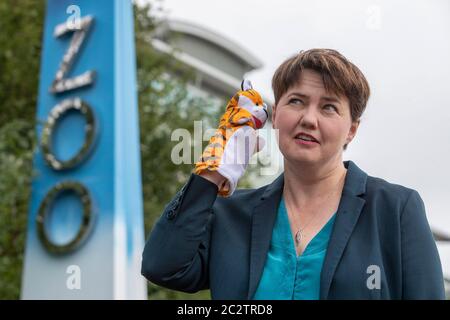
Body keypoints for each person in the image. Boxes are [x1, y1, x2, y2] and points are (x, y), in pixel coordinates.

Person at [141, 48, 446, 300]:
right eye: (296, 101)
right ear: (276, 116)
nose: (308, 119)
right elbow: (162, 266)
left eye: (329, 108)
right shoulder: (231, 214)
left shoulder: (394, 209)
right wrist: (213, 171)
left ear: (351, 130)